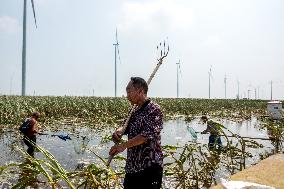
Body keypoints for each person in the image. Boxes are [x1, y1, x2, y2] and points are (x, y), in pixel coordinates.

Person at [109, 77, 163, 189]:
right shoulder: (134, 110)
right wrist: (118, 132)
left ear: (140, 91)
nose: (127, 95)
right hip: (132, 167)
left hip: (149, 167)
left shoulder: (154, 109)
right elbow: (125, 127)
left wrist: (122, 146)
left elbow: (145, 136)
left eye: (129, 91)